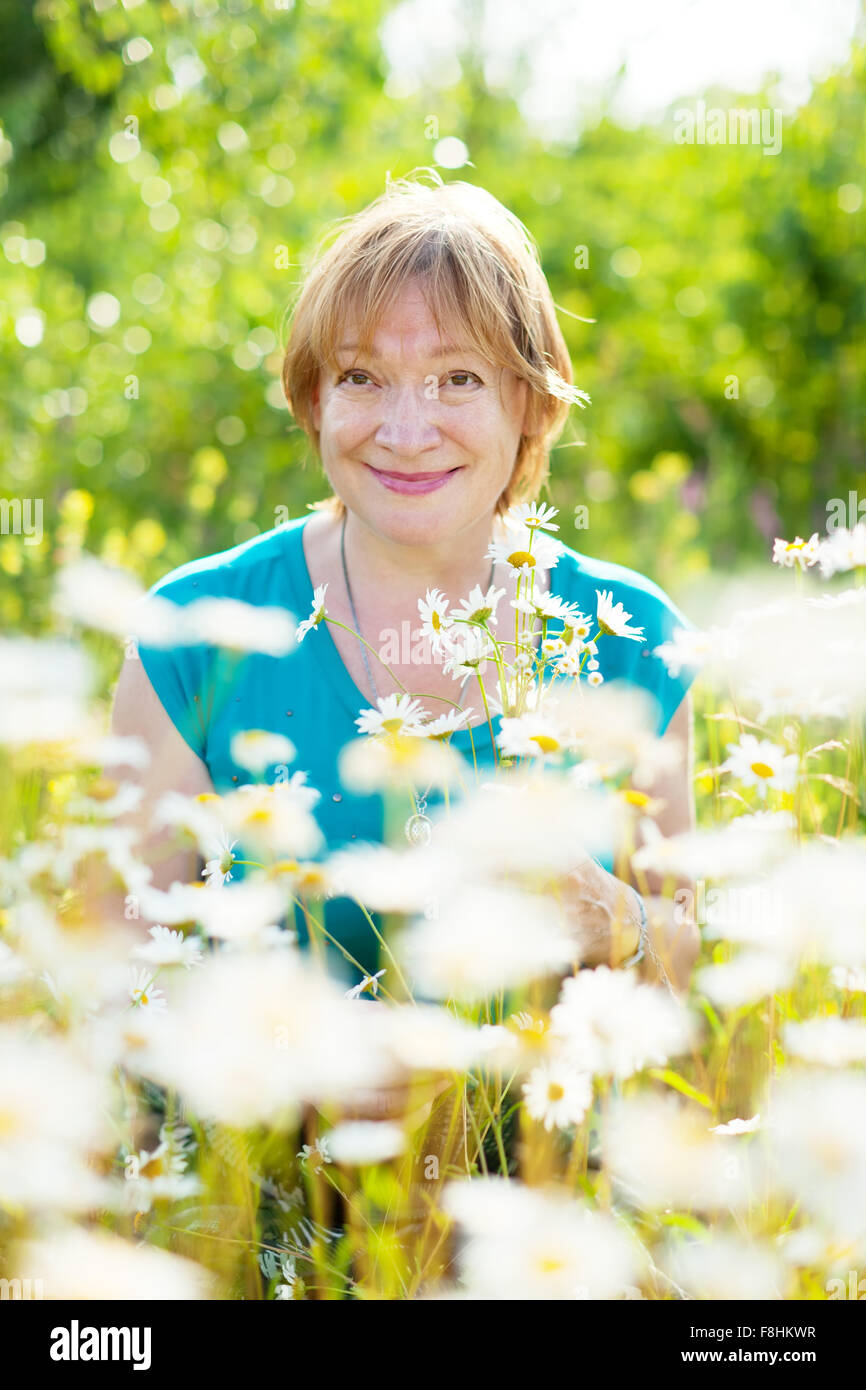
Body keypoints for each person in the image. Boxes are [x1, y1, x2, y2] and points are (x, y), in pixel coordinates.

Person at [110, 171, 699, 995]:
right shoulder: (194, 633)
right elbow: (109, 987)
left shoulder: (636, 640)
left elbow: (704, 1005)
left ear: (528, 401)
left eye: (458, 378)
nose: (407, 431)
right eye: (361, 377)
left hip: (550, 1124)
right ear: (313, 399)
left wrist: (620, 921)